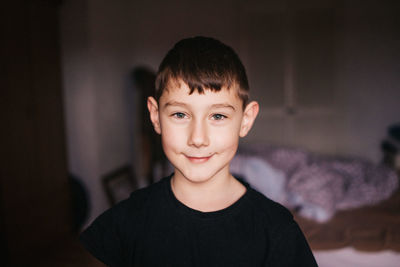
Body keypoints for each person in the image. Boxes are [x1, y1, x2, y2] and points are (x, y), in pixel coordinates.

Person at [80, 36, 318, 267]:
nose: (198, 139)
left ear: (245, 120)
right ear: (155, 116)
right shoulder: (126, 221)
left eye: (218, 116)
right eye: (180, 115)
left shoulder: (277, 231)